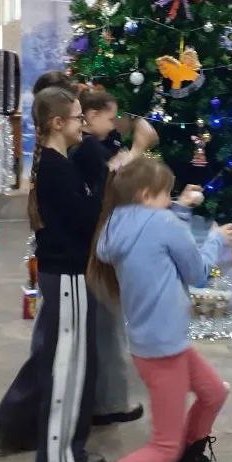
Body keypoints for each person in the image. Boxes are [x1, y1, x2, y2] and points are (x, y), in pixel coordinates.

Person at [63, 157, 232, 462]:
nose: (168, 201)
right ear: (146, 195)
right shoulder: (162, 223)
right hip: (165, 348)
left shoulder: (115, 223)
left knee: (214, 393)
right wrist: (215, 239)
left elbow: (157, 238)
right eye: (165, 194)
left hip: (155, 342)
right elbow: (198, 273)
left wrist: (180, 208)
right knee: (163, 448)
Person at [0, 86, 105, 462]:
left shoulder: (57, 163)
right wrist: (102, 178)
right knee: (68, 368)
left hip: (66, 275)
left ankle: (23, 432)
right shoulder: (57, 168)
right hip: (68, 276)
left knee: (61, 360)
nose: (83, 125)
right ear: (58, 123)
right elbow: (87, 219)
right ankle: (59, 460)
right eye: (77, 118)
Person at [71, 87, 146, 427]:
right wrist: (139, 148)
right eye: (110, 117)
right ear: (90, 117)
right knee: (107, 325)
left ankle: (107, 398)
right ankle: (110, 403)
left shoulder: (96, 143)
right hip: (95, 248)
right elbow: (113, 182)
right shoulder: (87, 148)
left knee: (108, 323)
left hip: (98, 244)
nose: (115, 124)